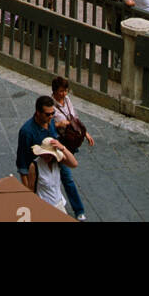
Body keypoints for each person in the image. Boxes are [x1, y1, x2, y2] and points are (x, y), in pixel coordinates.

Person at [50, 75, 91, 220]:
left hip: (70, 143)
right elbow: (46, 124)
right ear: (54, 91)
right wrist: (59, 124)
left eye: (65, 90)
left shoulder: (67, 100)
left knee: (59, 174)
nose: (63, 94)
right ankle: (79, 210)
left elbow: (74, 118)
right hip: (58, 143)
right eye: (61, 91)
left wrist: (86, 134)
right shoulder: (50, 105)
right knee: (67, 177)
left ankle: (60, 201)